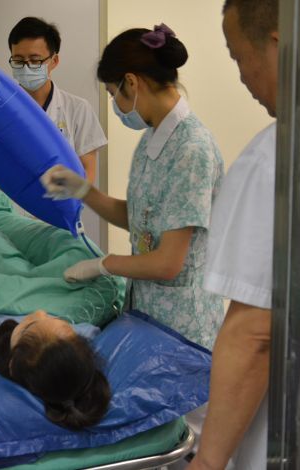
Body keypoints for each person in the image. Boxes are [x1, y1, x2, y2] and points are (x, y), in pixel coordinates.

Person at [40, 24, 224, 351]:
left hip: (183, 330)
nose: (115, 105)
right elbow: (142, 220)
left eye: (113, 94)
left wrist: (103, 264)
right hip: (147, 315)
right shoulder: (153, 138)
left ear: (132, 82)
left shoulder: (191, 149)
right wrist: (84, 191)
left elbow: (168, 262)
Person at [188, 1, 278, 469]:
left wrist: (208, 462)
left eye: (239, 57)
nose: (242, 76)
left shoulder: (272, 158)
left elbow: (254, 333)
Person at [0, 16, 107, 190]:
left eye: (35, 60)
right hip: (10, 205)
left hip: (61, 202)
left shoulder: (78, 109)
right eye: (18, 60)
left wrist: (66, 201)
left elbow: (87, 170)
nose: (26, 67)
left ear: (54, 61)